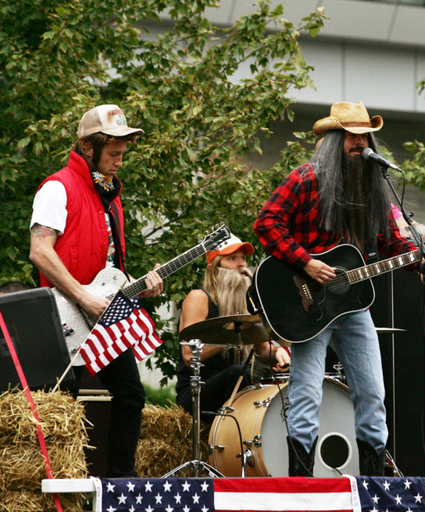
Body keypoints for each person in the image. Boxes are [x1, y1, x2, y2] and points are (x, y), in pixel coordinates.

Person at [253, 101, 422, 476]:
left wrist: (420, 254)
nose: (358, 143)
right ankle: (302, 484)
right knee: (307, 394)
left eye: (364, 136)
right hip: (307, 306)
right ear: (334, 139)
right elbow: (266, 223)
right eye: (351, 135)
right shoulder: (305, 178)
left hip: (352, 306)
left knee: (373, 395)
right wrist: (306, 261)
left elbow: (392, 242)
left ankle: (375, 485)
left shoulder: (375, 188)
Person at [28, 104, 163, 478]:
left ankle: (122, 483)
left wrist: (141, 285)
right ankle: (57, 485)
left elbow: (104, 268)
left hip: (100, 314)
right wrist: (83, 296)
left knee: (132, 396)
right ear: (89, 147)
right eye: (114, 154)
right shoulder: (58, 187)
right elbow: (40, 250)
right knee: (63, 404)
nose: (120, 162)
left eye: (122, 154)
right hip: (64, 316)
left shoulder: (111, 196)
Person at [176, 234, 290, 421]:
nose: (241, 265)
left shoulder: (248, 304)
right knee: (238, 373)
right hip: (196, 393)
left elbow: (261, 349)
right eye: (232, 258)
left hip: (237, 384)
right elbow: (189, 356)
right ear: (213, 267)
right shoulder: (199, 298)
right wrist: (232, 336)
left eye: (243, 258)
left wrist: (279, 354)